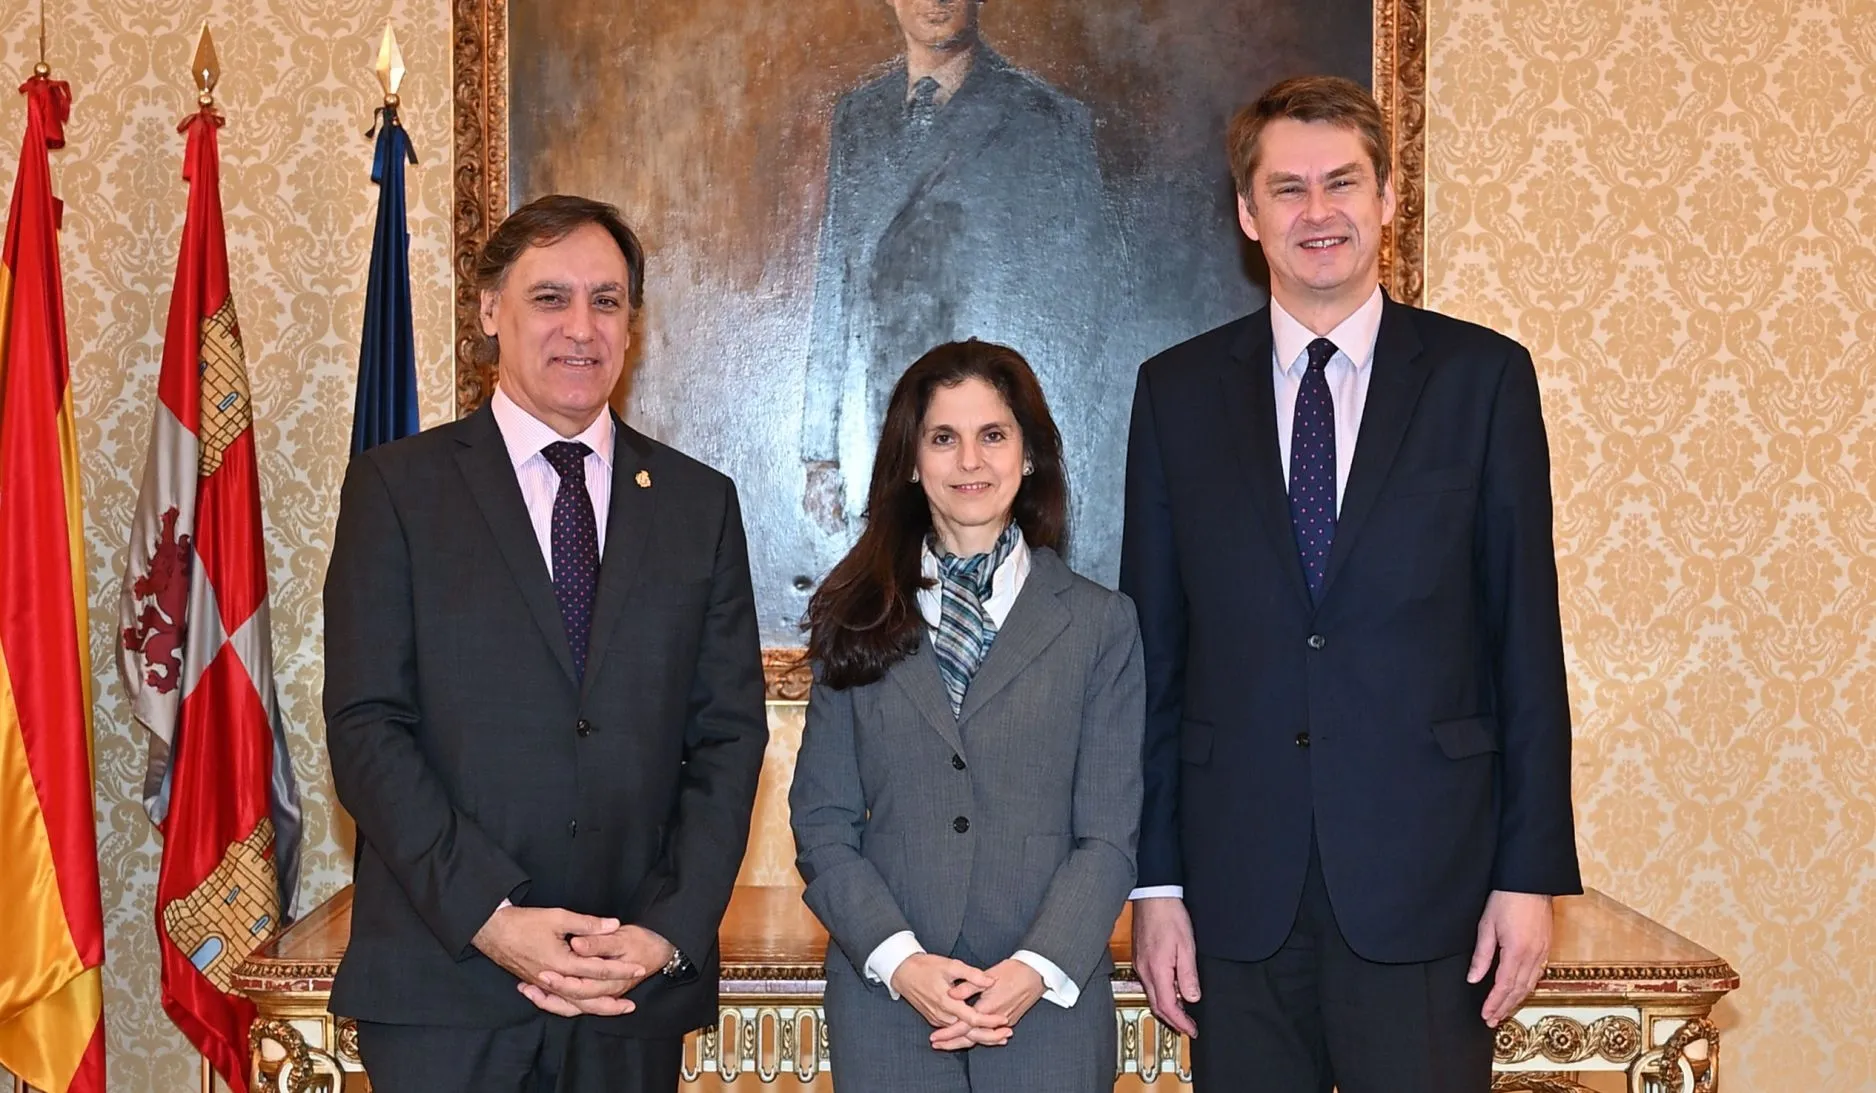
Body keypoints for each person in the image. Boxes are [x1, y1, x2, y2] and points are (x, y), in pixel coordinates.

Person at [1120, 76, 1581, 1093]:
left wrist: (1527, 875)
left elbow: (1523, 641)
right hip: (1235, 898)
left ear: (1384, 198)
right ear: (1248, 215)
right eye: (1287, 189)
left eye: (1341, 183)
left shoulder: (1483, 381)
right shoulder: (1174, 393)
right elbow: (1153, 659)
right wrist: (1154, 882)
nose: (1316, 212)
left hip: (1431, 891)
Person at [323, 194, 768, 1092]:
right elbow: (368, 728)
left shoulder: (697, 505)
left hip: (624, 988)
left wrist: (664, 930)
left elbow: (728, 736)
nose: (581, 327)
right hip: (446, 988)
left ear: (631, 325)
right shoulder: (398, 491)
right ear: (490, 310)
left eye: (606, 301)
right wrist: (492, 916)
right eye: (550, 297)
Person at [791, 339, 1143, 1091]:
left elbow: (1110, 834)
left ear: (1029, 456)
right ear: (912, 462)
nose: (969, 461)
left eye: (993, 435)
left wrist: (1031, 969)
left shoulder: (1099, 624)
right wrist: (901, 962)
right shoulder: (854, 619)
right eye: (943, 438)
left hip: (1046, 1010)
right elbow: (823, 823)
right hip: (891, 1008)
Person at [800, 0, 1115, 563]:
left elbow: (1082, 304)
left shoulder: (1044, 117)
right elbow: (838, 278)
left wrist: (1026, 436)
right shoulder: (859, 116)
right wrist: (821, 449)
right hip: (884, 418)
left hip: (991, 436)